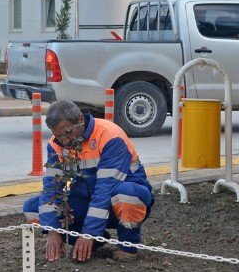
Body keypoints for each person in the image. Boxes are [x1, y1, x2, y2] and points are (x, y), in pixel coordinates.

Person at [23, 100, 153, 263]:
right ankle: (93, 241)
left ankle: (128, 246)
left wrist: (89, 232)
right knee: (32, 208)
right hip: (86, 201)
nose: (64, 141)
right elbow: (51, 190)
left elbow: (105, 190)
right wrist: (52, 231)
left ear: (80, 120)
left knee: (128, 196)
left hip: (119, 201)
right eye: (58, 136)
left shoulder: (110, 136)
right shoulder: (55, 145)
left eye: (67, 133)